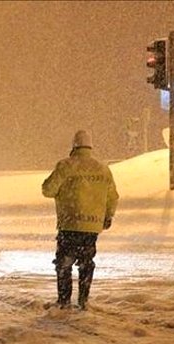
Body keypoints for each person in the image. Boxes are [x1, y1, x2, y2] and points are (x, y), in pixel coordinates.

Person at [42, 130, 119, 310]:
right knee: (86, 262)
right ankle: (83, 300)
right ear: (90, 146)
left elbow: (48, 190)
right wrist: (108, 215)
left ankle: (64, 301)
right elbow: (113, 196)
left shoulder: (66, 166)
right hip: (92, 225)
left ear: (74, 146)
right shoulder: (103, 169)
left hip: (70, 223)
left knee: (64, 263)